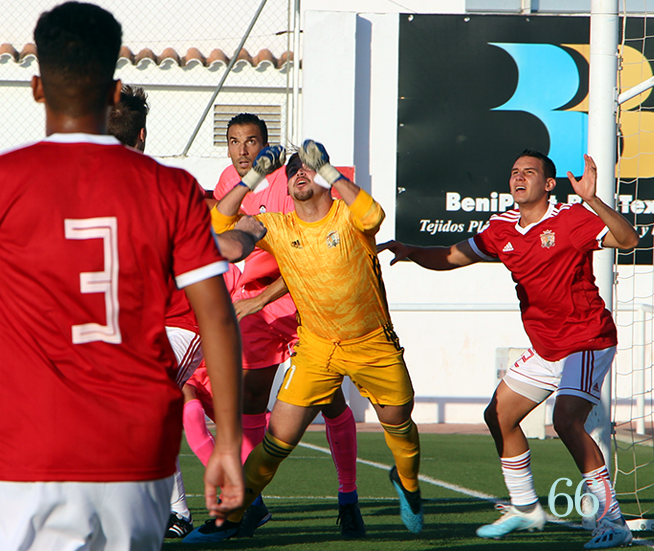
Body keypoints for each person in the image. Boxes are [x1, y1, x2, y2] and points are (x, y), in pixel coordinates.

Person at [0, 3, 245, 548]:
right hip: (135, 449)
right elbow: (218, 318)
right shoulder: (171, 187)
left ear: (37, 87)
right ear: (113, 91)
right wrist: (227, 444)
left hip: (33, 447)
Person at [379, 150, 638, 549]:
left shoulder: (570, 219)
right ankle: (524, 507)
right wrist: (412, 252)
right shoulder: (501, 229)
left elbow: (628, 239)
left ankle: (612, 522)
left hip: (587, 340)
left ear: (548, 185)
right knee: (498, 416)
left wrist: (592, 200)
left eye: (529, 172)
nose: (518, 178)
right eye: (514, 172)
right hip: (547, 348)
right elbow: (452, 257)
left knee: (567, 421)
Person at [185, 142, 422, 542]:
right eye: (293, 167)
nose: (300, 171)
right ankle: (230, 517)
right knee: (275, 443)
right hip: (317, 350)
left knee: (399, 427)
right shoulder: (278, 226)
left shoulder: (349, 217)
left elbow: (374, 214)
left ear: (325, 175)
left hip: (373, 346)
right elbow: (221, 224)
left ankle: (409, 487)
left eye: (308, 167)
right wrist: (254, 176)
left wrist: (327, 170)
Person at [106, 84, 264, 539]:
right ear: (142, 136)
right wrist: (249, 232)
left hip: (173, 325)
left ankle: (173, 511)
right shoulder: (171, 186)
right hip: (162, 322)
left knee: (148, 413)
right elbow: (226, 245)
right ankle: (175, 509)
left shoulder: (74, 187)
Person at [199, 114, 363, 537]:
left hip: (298, 298)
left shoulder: (288, 182)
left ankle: (348, 497)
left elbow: (301, 256)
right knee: (251, 399)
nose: (242, 150)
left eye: (251, 142)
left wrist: (257, 300)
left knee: (329, 402)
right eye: (234, 141)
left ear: (265, 145)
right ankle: (252, 503)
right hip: (252, 306)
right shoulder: (228, 181)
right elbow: (223, 225)